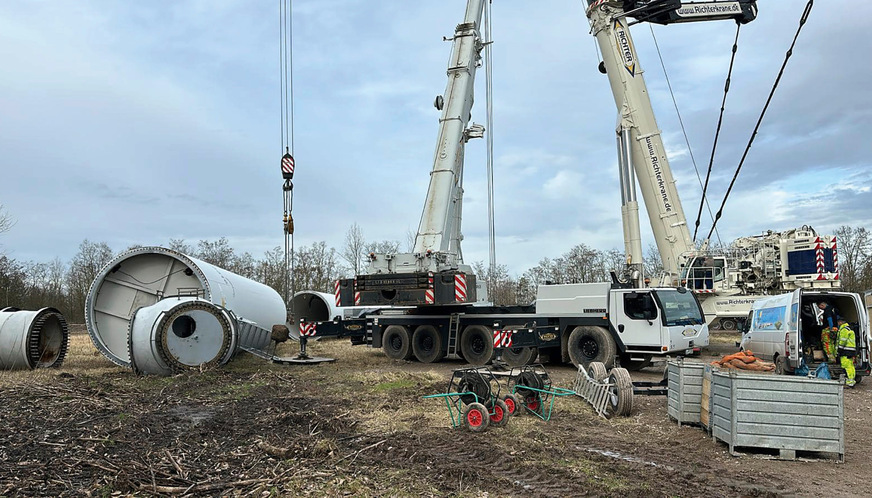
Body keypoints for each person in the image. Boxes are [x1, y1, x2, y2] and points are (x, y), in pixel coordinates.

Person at [836, 318, 857, 387]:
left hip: (846, 351)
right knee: (850, 366)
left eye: (838, 322)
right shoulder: (849, 328)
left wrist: (839, 349)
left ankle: (850, 382)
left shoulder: (844, 330)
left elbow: (842, 340)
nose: (838, 324)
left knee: (846, 366)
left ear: (840, 322)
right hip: (850, 350)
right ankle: (851, 380)